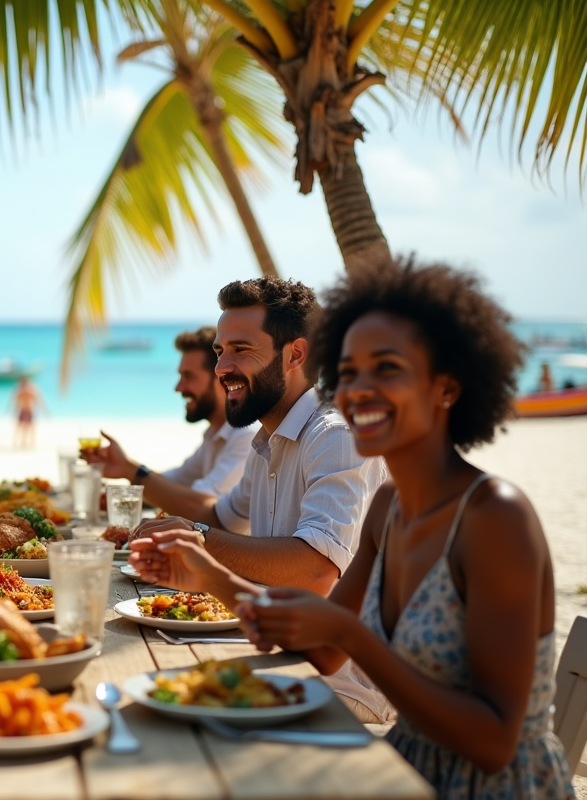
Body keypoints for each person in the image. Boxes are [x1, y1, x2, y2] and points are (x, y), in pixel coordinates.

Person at [139, 260, 574, 798]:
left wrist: (347, 635)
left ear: (448, 386)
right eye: (349, 372)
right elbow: (325, 651)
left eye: (387, 369)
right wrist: (207, 573)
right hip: (399, 760)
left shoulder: (496, 517)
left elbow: (492, 744)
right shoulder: (391, 504)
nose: (358, 392)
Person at [127, 276, 390, 722]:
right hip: (282, 649)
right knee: (143, 679)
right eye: (218, 351)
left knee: (153, 699)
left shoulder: (336, 436)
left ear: (295, 355)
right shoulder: (267, 441)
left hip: (344, 683)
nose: (221, 367)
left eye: (241, 350)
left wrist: (199, 541)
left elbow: (315, 569)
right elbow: (221, 519)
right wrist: (180, 534)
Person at [83, 326, 254, 500]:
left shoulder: (245, 438)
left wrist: (128, 469)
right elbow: (175, 482)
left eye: (188, 376)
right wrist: (122, 482)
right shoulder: (215, 436)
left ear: (221, 379)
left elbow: (201, 502)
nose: (178, 387)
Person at [11, 376, 45, 449]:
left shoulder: (29, 392)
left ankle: (31, 443)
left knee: (30, 428)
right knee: (21, 428)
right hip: (24, 411)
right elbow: (16, 403)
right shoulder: (21, 393)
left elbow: (38, 401)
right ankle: (21, 443)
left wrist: (42, 411)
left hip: (29, 411)